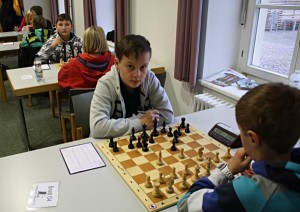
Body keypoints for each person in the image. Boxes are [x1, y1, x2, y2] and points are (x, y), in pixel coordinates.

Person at [177, 83, 300, 211]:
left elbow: (184, 206)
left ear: (253, 138)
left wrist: (227, 170)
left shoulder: (246, 193)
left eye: (241, 132)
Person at [90, 34, 174, 138]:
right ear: (117, 63)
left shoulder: (150, 78)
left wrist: (135, 123)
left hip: (138, 141)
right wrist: (140, 122)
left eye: (143, 67)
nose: (137, 75)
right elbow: (97, 128)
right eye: (130, 66)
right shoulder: (105, 84)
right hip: (108, 144)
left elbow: (168, 114)